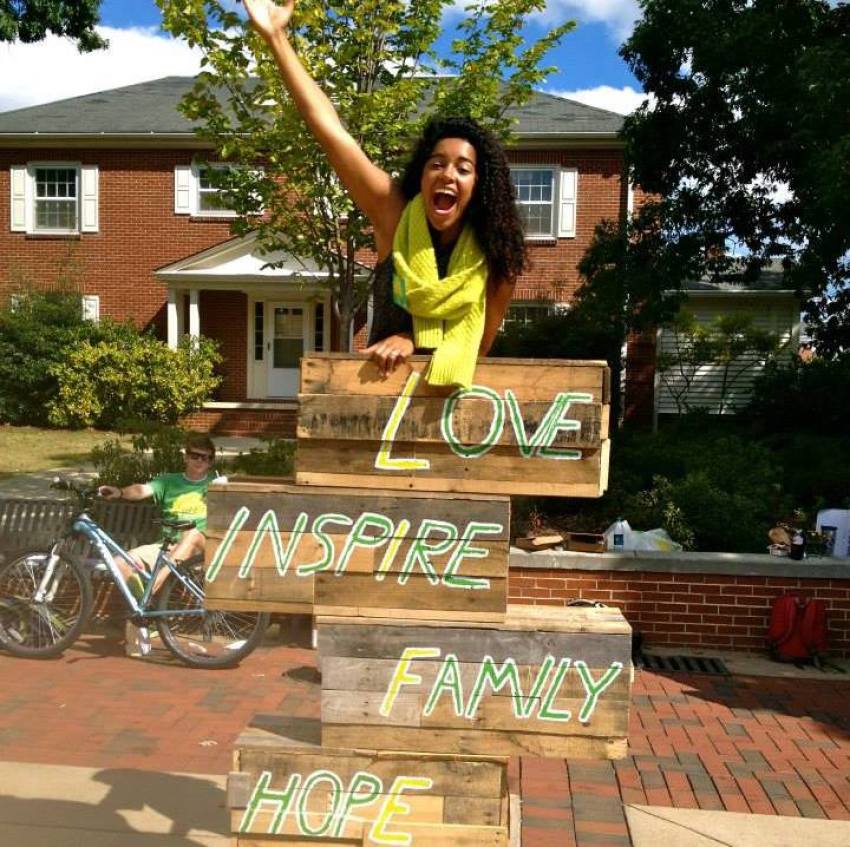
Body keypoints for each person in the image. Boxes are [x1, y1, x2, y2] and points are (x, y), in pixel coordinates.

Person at [243, 0, 527, 388]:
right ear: (421, 173)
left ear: (479, 187)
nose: (447, 174)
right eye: (436, 163)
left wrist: (412, 340)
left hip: (440, 413)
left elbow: (478, 353)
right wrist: (277, 39)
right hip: (373, 398)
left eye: (463, 168)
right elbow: (331, 132)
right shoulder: (395, 216)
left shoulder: (498, 259)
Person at [97, 433, 218, 597]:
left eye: (205, 457)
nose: (199, 461)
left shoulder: (217, 485)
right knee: (120, 563)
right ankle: (142, 613)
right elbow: (141, 490)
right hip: (167, 547)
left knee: (192, 534)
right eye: (195, 456)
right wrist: (119, 492)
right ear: (186, 457)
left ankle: (152, 588)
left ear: (211, 462)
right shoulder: (168, 481)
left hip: (201, 549)